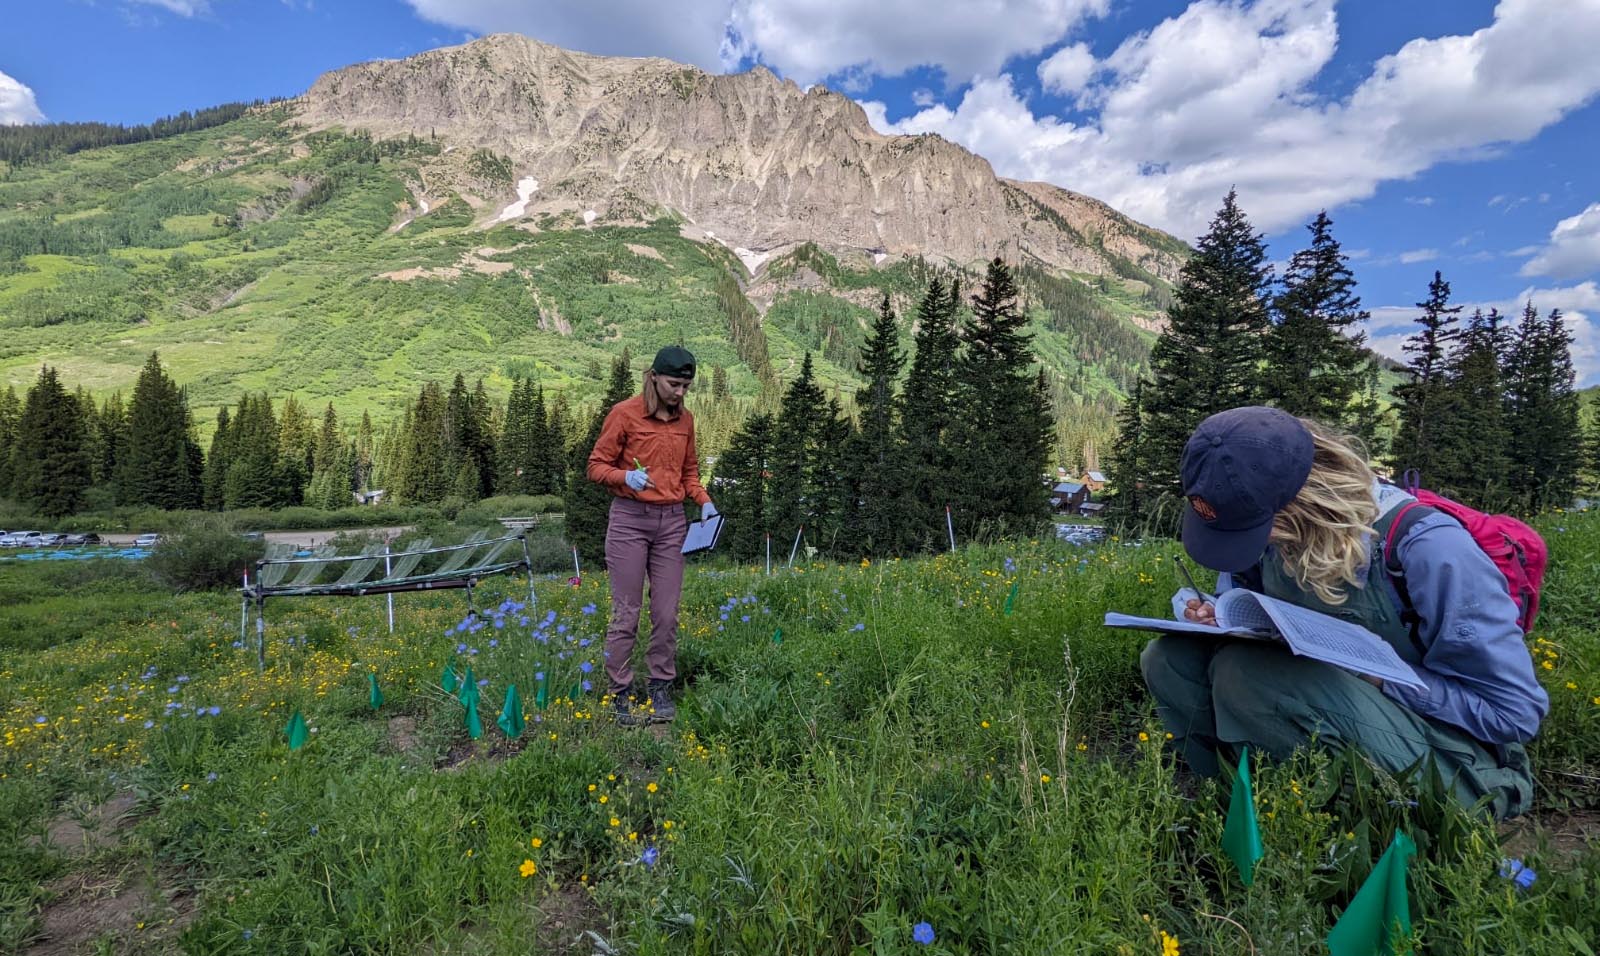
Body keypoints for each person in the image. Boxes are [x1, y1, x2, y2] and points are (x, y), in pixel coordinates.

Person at [1140, 406, 1548, 819]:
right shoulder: (1267, 531)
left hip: (1456, 758)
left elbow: (1512, 714)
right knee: (1169, 660)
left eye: (1259, 532)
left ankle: (1333, 826)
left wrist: (1378, 677)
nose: (1259, 546)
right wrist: (1220, 620)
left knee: (1246, 675)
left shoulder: (1428, 549)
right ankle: (1235, 804)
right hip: (1332, 702)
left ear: (1302, 507)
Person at [587, 346, 717, 726]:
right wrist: (623, 477)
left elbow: (689, 472)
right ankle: (619, 690)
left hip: (672, 522)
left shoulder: (686, 421)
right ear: (655, 377)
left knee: (666, 611)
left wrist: (704, 502)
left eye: (687, 386)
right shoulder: (624, 414)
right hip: (629, 520)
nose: (680, 393)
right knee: (626, 612)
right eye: (675, 384)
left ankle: (660, 683)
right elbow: (596, 466)